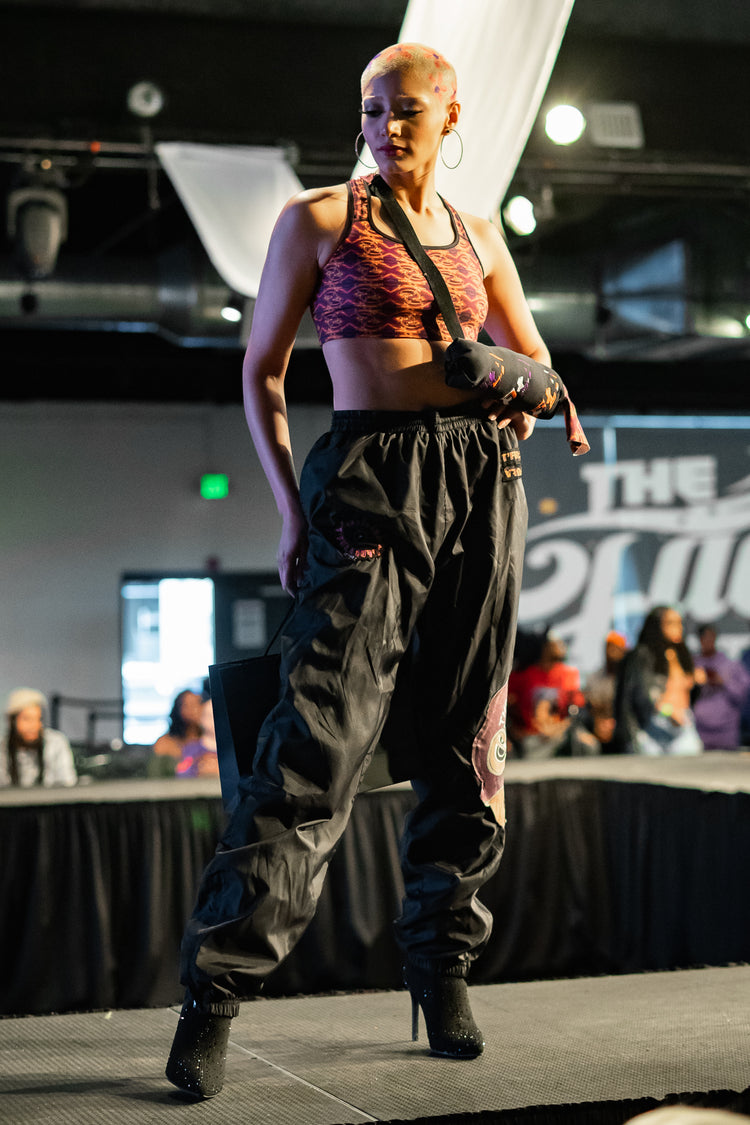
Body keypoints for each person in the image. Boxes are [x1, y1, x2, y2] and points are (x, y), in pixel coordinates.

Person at [166, 42, 550, 1098]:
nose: (388, 126)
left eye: (408, 109)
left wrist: (509, 378)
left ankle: (442, 969)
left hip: (483, 480)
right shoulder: (323, 220)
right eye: (373, 109)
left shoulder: (478, 236)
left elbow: (541, 368)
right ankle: (215, 995)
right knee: (314, 741)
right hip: (369, 477)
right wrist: (292, 513)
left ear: (450, 115)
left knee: (469, 738)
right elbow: (263, 371)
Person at [613, 606, 703, 755]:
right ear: (657, 625)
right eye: (671, 623)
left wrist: (696, 683)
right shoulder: (643, 656)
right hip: (654, 723)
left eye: (679, 623)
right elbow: (639, 696)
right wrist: (668, 712)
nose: (678, 628)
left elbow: (688, 695)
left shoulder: (682, 655)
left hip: (682, 722)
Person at [508, 630, 599, 757]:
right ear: (545, 647)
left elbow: (577, 708)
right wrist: (513, 730)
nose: (561, 646)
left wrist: (562, 728)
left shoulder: (569, 674)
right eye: (556, 642)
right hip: (532, 737)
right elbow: (508, 705)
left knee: (588, 746)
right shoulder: (526, 675)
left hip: (561, 735)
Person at [0, 687, 77, 788]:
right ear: (12, 721)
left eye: (39, 719)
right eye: (27, 719)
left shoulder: (55, 743)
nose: (34, 726)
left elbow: (67, 785)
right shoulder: (2, 748)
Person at [692, 623, 750, 750]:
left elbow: (742, 695)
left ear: (715, 638)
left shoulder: (730, 665)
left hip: (727, 732)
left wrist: (722, 682)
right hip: (699, 730)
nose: (707, 641)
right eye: (704, 637)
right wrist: (694, 683)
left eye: (710, 637)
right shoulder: (693, 665)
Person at [582, 630, 628, 750]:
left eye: (617, 648)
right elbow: (590, 704)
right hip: (597, 727)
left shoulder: (629, 678)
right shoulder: (594, 677)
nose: (612, 652)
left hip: (623, 729)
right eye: (609, 647)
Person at [148, 689, 203, 778]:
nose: (195, 710)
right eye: (188, 706)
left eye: (198, 704)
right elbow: (156, 775)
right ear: (178, 710)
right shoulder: (164, 743)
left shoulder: (211, 740)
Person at [175, 697, 220, 778]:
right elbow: (181, 772)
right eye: (210, 716)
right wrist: (198, 768)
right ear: (202, 719)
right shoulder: (191, 749)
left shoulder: (232, 750)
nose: (214, 721)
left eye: (219, 716)